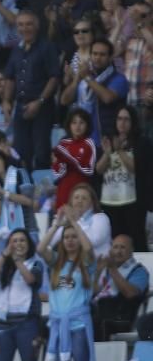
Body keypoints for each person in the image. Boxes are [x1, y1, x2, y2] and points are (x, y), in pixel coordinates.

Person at [38, 201, 97, 361]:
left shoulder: (86, 263)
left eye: (74, 237)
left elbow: (88, 248)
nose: (70, 240)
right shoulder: (56, 262)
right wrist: (57, 225)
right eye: (66, 237)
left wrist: (73, 222)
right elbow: (40, 249)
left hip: (78, 325)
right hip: (58, 326)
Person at [4, 11, 60, 172]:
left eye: (28, 24)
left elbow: (54, 77)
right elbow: (9, 77)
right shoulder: (16, 49)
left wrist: (40, 101)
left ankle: (44, 193)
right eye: (20, 24)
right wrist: (6, 100)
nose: (24, 28)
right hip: (20, 106)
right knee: (20, 152)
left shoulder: (47, 47)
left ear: (37, 26)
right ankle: (25, 189)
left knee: (42, 152)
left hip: (42, 107)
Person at [0, 228, 43, 361]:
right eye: (14, 241)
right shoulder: (5, 265)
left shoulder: (36, 263)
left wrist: (17, 260)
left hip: (27, 325)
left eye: (22, 240)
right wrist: (5, 256)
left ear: (29, 244)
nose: (18, 244)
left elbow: (31, 279)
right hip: (3, 325)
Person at [60, 38, 129, 145]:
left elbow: (107, 98)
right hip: (81, 138)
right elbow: (64, 100)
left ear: (110, 57)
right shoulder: (85, 76)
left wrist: (87, 78)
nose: (97, 58)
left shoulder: (119, 79)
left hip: (104, 139)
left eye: (102, 55)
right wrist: (77, 78)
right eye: (94, 54)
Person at [98, 105, 148, 251]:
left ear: (133, 123)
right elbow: (99, 170)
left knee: (135, 239)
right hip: (110, 201)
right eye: (119, 119)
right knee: (113, 239)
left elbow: (136, 168)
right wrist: (108, 153)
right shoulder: (108, 140)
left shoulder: (141, 142)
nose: (122, 123)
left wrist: (119, 150)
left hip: (133, 201)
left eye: (126, 119)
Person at [92, 234, 150, 341]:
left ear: (131, 250)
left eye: (122, 247)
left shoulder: (139, 271)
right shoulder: (109, 268)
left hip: (120, 318)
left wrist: (113, 269)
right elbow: (94, 293)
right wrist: (98, 272)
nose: (118, 251)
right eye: (115, 247)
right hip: (99, 312)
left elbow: (130, 293)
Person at [53, 184, 113, 258]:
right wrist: (58, 224)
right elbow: (51, 242)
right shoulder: (67, 219)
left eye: (84, 198)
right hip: (75, 266)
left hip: (99, 265)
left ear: (92, 203)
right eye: (76, 197)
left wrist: (73, 221)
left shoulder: (101, 217)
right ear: (71, 201)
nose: (79, 201)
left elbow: (95, 240)